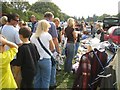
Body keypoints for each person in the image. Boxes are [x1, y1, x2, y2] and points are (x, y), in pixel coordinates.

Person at [30, 20, 55, 89]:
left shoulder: (33, 36)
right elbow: (53, 48)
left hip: (36, 59)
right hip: (46, 58)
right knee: (46, 80)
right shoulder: (48, 35)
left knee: (37, 78)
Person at [44, 12, 61, 89]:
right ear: (51, 17)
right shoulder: (52, 24)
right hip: (50, 49)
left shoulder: (38, 24)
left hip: (40, 50)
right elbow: (55, 39)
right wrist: (58, 50)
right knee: (52, 66)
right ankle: (52, 83)